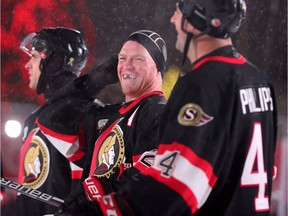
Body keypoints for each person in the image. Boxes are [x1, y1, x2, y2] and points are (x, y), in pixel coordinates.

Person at [57, 0, 278, 215]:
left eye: (179, 12)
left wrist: (95, 208)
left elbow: (176, 187)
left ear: (197, 17)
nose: (173, 19)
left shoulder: (203, 83)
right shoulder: (258, 81)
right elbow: (265, 170)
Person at [54, 29, 167, 215]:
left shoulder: (160, 113)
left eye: (138, 59)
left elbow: (151, 179)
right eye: (122, 59)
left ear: (158, 68)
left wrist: (99, 192)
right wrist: (94, 81)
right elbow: (52, 118)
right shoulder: (106, 115)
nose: (127, 66)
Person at [16, 27, 89, 216]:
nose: (27, 65)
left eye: (34, 56)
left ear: (54, 62)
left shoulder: (87, 113)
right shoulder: (35, 117)